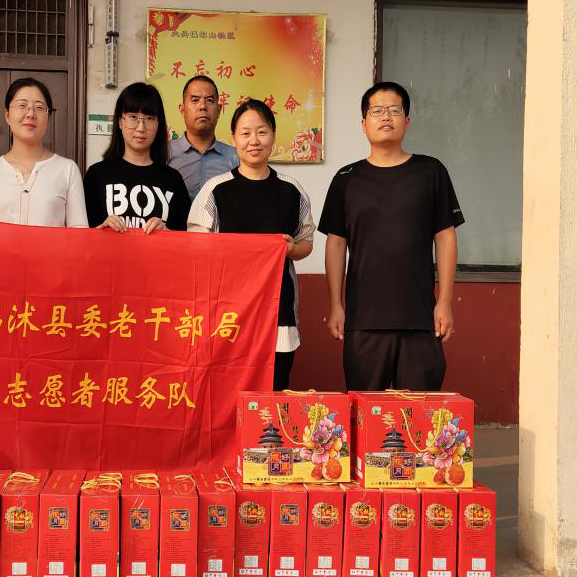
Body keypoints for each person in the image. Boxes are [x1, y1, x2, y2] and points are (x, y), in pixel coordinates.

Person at [318, 81, 464, 391]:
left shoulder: (430, 172)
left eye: (395, 110)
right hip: (363, 321)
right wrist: (335, 304)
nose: (386, 116)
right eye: (377, 111)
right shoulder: (346, 179)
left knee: (420, 412)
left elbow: (445, 237)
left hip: (420, 319)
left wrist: (445, 301)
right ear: (363, 123)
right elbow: (336, 244)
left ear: (407, 121)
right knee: (365, 411)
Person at [188, 99, 314, 390]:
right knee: (227, 392)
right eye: (245, 134)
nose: (253, 141)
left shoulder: (292, 190)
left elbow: (306, 242)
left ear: (273, 135)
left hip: (279, 311)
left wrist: (290, 249)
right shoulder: (216, 190)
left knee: (275, 390)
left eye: (261, 132)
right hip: (228, 313)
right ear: (234, 138)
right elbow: (196, 246)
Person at [0, 78, 87, 227]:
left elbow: (79, 230)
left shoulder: (67, 170)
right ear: (7, 115)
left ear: (48, 117)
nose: (31, 114)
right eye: (22, 106)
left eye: (39, 107)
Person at [84, 82, 191, 233]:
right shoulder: (96, 175)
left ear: (158, 124)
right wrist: (101, 230)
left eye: (149, 118)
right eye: (133, 117)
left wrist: (168, 233)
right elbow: (81, 235)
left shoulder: (173, 180)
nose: (141, 128)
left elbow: (188, 238)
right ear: (120, 121)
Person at [168, 74, 238, 199]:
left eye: (209, 100)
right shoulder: (165, 153)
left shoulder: (235, 158)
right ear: (182, 110)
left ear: (219, 110)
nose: (203, 106)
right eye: (195, 100)